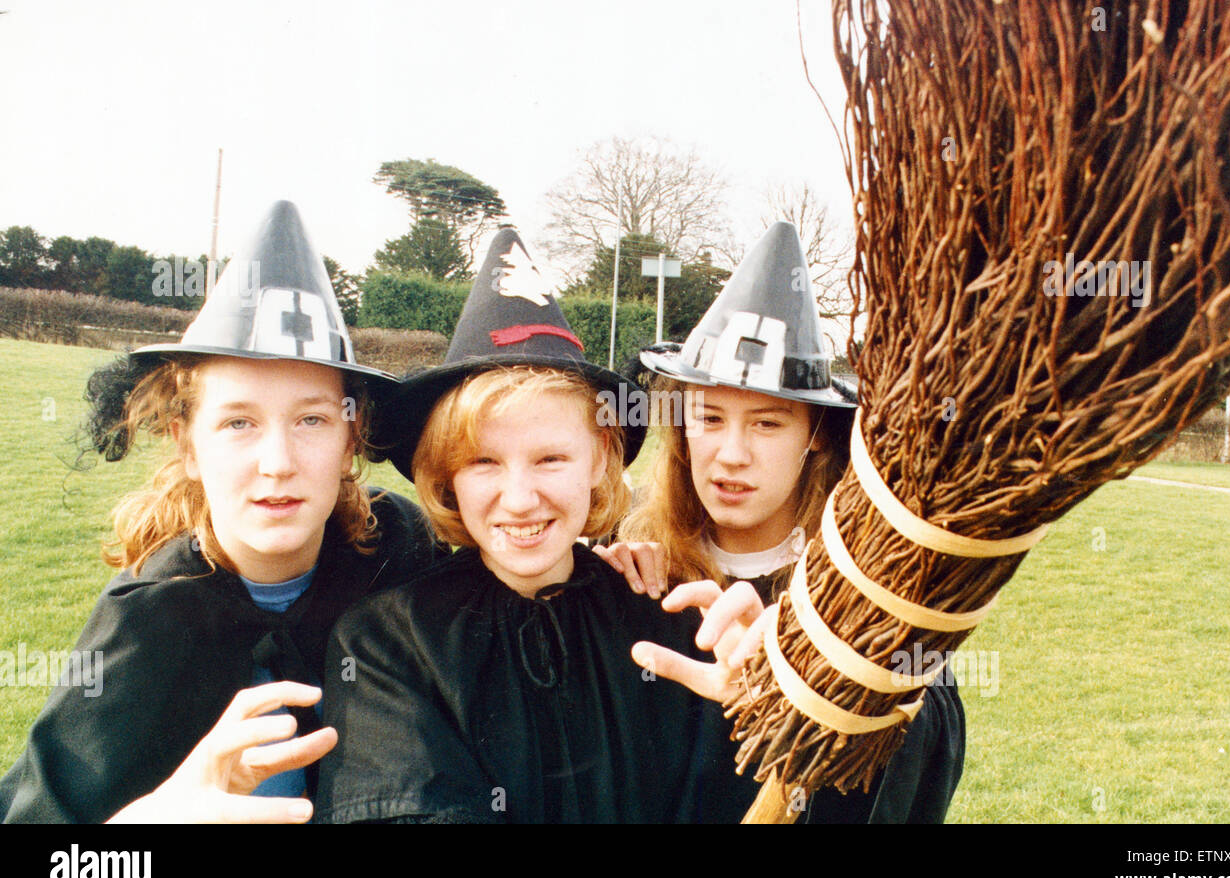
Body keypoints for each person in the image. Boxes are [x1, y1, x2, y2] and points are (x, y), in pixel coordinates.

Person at [315, 229, 865, 823]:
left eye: (551, 459)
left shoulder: (672, 625)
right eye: (484, 461)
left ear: (601, 458)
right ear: (446, 473)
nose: (521, 499)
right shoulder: (389, 643)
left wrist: (774, 715)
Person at [0, 201, 440, 824]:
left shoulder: (405, 558)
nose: (277, 462)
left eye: (311, 419)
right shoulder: (147, 623)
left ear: (351, 435)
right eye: (238, 422)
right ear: (187, 444)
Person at [613, 221, 966, 822]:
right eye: (710, 417)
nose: (731, 453)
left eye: (768, 423)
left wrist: (827, 664)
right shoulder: (642, 575)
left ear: (817, 440)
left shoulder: (867, 597)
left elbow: (926, 759)